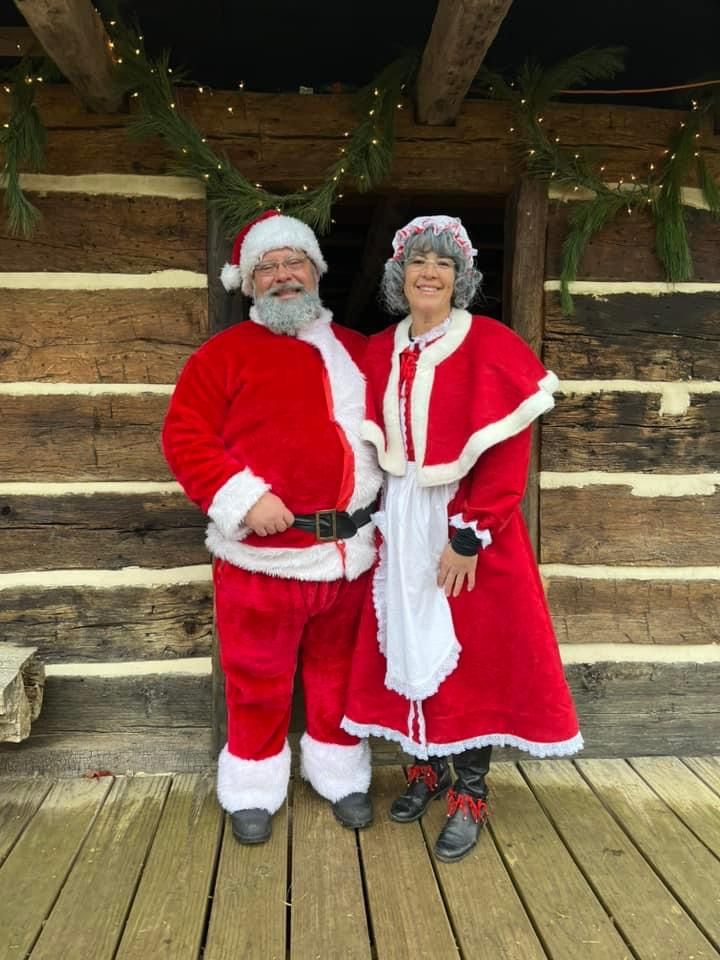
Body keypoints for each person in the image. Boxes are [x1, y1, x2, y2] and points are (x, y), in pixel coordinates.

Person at [341, 215, 582, 863]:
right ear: (399, 274)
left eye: (444, 263)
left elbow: (507, 457)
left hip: (466, 526)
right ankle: (424, 768)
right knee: (405, 642)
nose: (429, 271)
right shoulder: (377, 351)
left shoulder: (491, 344)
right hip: (398, 523)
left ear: (460, 277)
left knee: (471, 656)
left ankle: (470, 793)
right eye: (418, 260)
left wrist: (471, 535)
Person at [162, 210, 382, 844]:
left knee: (339, 676)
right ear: (249, 282)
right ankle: (254, 785)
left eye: (295, 263)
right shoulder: (222, 355)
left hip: (350, 557)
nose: (284, 276)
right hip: (265, 562)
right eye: (269, 267)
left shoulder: (361, 349)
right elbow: (184, 435)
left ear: (315, 271)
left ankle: (339, 775)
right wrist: (242, 497)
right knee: (257, 678)